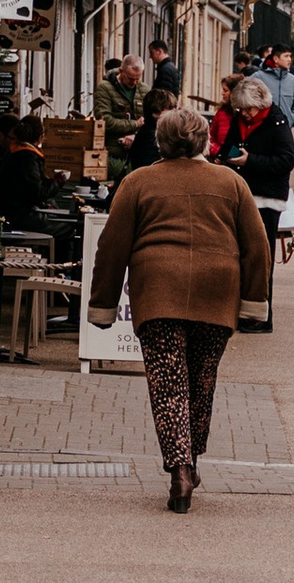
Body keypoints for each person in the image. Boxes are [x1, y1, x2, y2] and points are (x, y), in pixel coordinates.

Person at [85, 101, 271, 509]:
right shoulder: (231, 182)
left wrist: (102, 305)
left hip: (158, 291)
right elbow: (257, 246)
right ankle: (191, 457)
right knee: (201, 382)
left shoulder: (137, 182)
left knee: (168, 384)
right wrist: (253, 302)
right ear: (204, 139)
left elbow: (111, 248)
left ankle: (180, 468)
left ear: (160, 141)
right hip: (217, 292)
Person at [237, 78, 294, 266]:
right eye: (242, 108)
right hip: (244, 193)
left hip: (268, 196)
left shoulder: (277, 123)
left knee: (262, 256)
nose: (245, 113)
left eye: (249, 109)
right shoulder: (239, 120)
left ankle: (264, 294)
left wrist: (250, 160)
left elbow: (287, 160)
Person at [0, 112, 52, 224]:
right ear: (0, 136)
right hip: (7, 215)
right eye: (13, 138)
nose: (17, 142)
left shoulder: (13, 154)